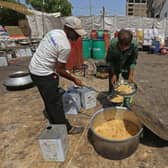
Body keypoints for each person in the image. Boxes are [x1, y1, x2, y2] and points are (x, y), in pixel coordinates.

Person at [29, 16, 87, 134]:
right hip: (44, 74)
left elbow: (53, 57)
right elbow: (59, 70)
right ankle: (66, 128)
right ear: (68, 29)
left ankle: (53, 120)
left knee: (48, 98)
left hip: (33, 69)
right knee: (56, 103)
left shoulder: (53, 32)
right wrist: (74, 79)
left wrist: (66, 72)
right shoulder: (65, 46)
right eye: (76, 33)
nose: (78, 36)